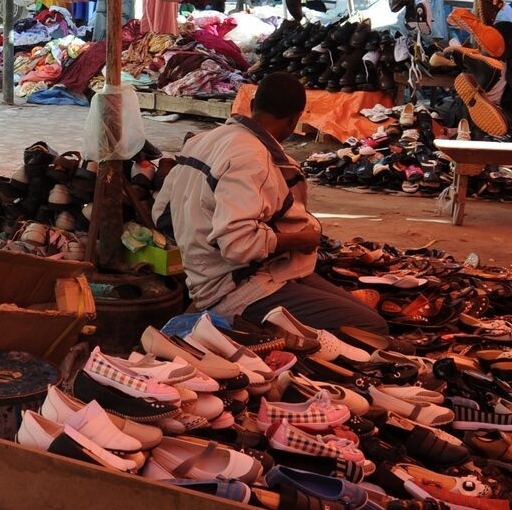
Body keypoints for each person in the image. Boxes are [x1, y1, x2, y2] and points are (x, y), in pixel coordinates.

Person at [156, 72, 387, 336]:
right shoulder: (251, 157)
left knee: (365, 313)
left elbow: (162, 215)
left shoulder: (203, 140)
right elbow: (237, 245)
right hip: (234, 290)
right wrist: (299, 240)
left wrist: (202, 239)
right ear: (294, 121)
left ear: (253, 105)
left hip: (229, 274)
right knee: (372, 328)